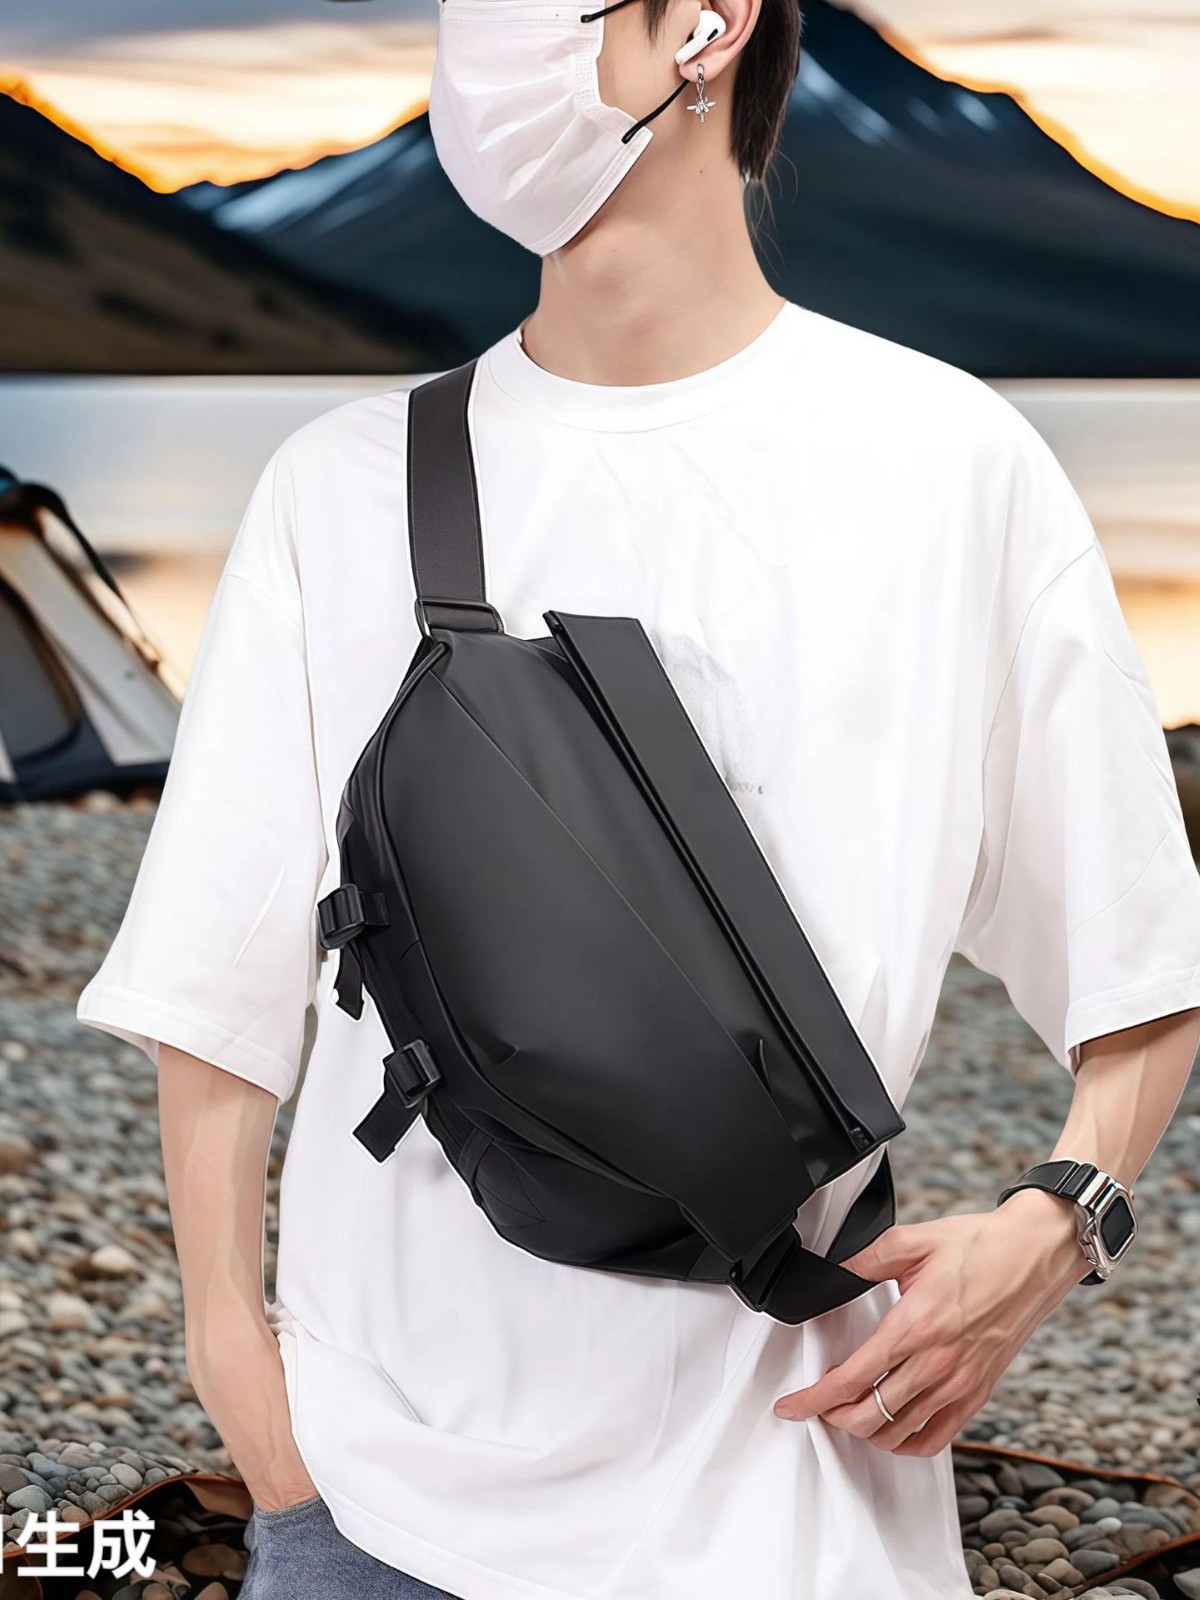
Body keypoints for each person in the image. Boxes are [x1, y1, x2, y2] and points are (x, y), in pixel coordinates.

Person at [76, 1, 1200, 1597]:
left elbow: (1144, 965)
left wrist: (1059, 1219)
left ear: (706, 28)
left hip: (797, 1513)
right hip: (382, 1507)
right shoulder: (341, 485)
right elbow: (216, 990)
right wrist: (251, 1401)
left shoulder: (950, 468)